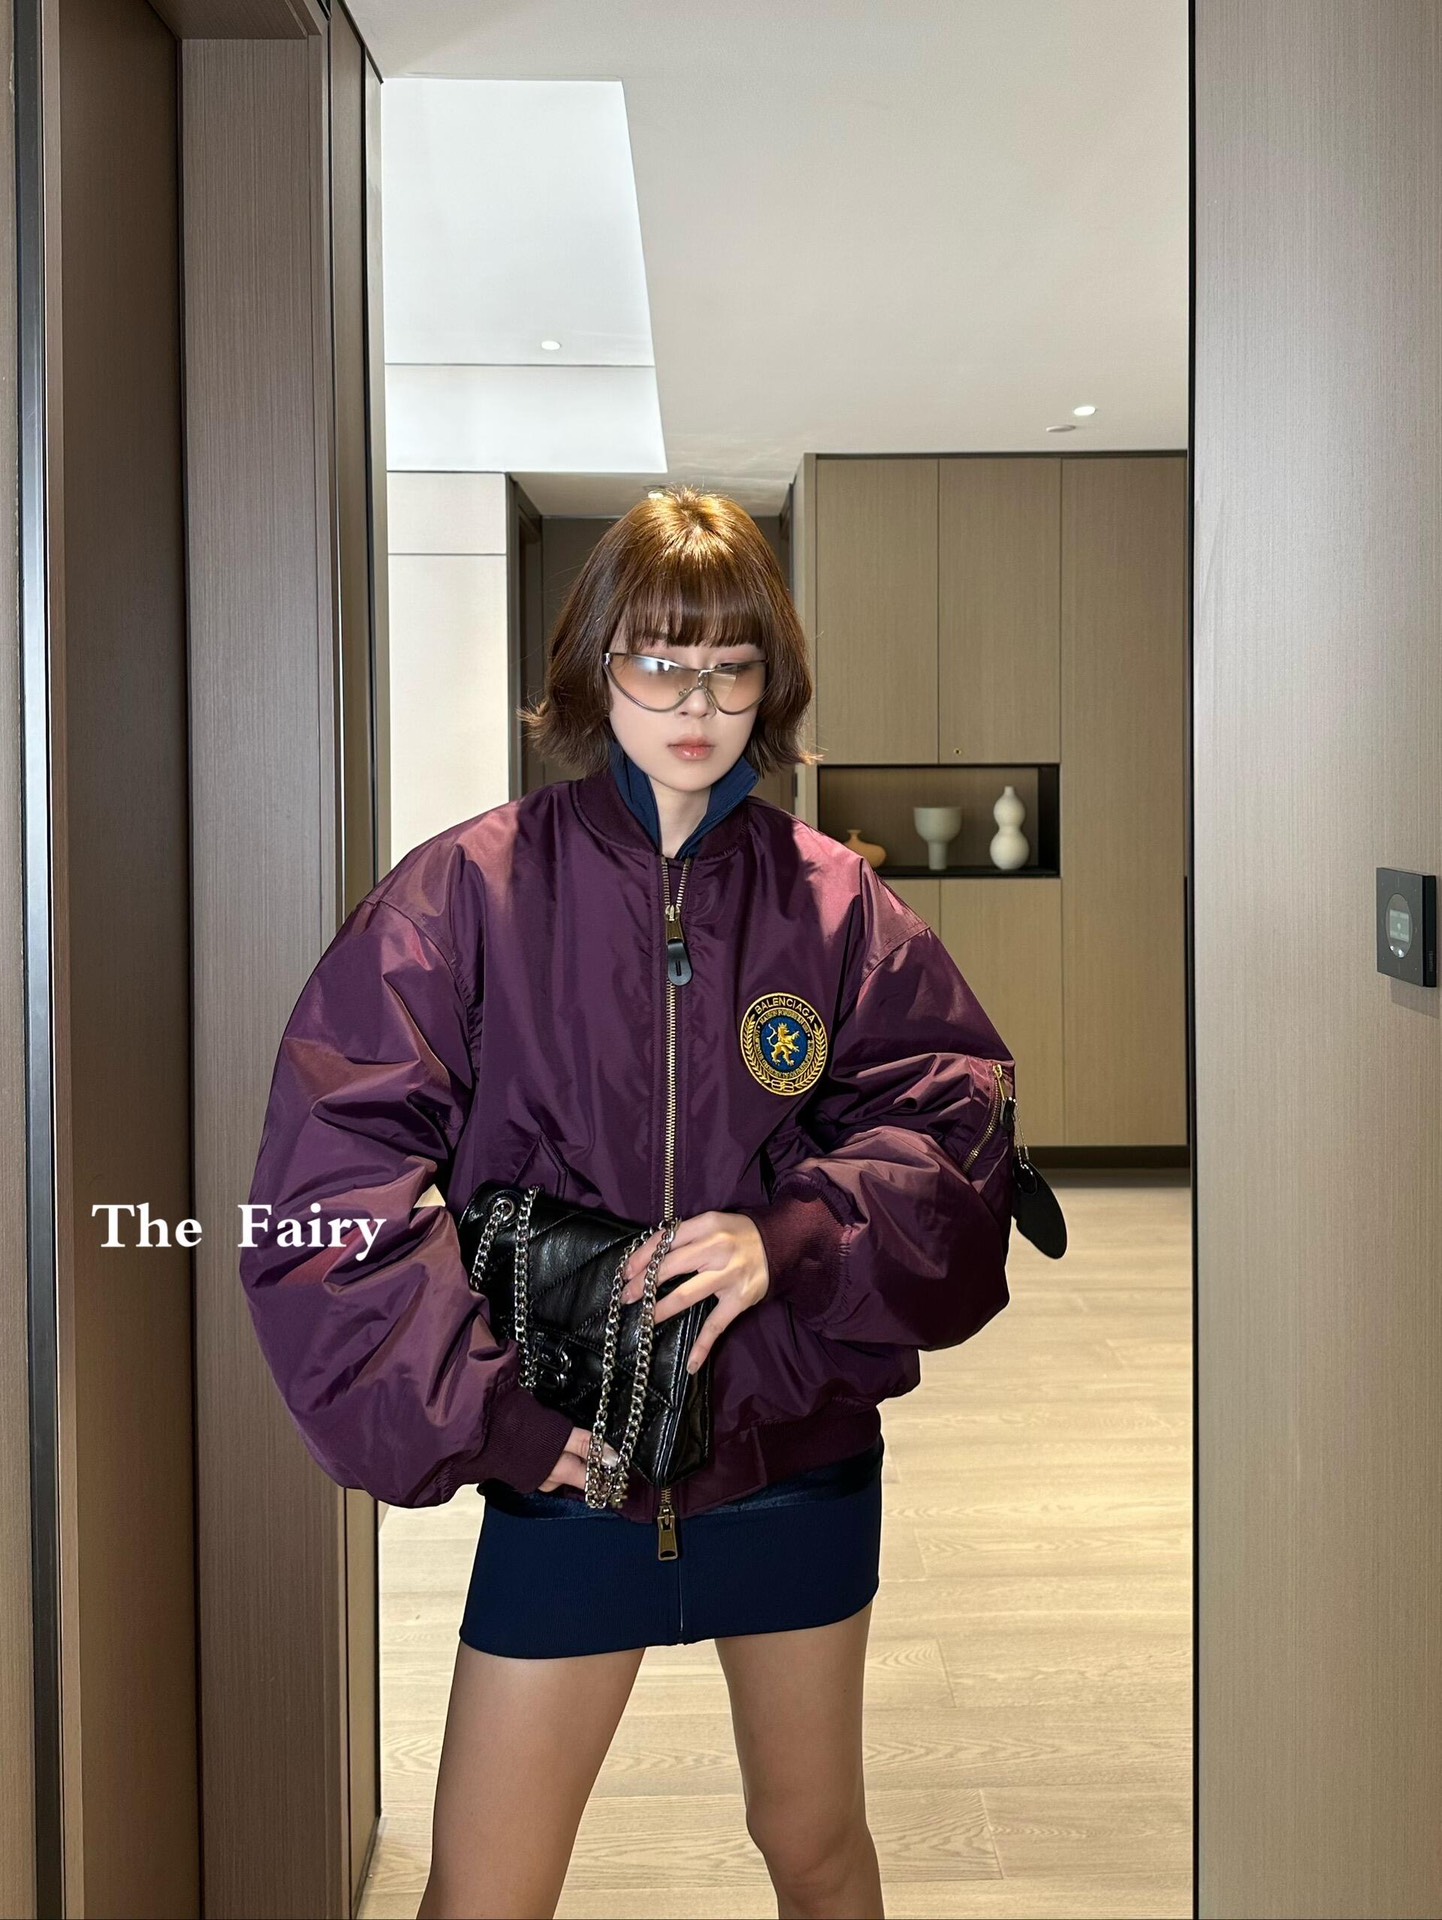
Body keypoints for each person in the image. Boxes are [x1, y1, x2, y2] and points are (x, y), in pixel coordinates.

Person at [239, 485, 1016, 1919]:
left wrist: (792, 1237)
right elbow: (325, 1187)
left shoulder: (838, 907)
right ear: (596, 668)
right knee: (484, 1891)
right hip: (569, 1468)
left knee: (817, 1849)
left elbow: (954, 1129)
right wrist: (505, 1426)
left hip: (794, 1457)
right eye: (660, 661)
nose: (696, 704)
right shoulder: (464, 896)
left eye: (731, 666)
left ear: (770, 682)